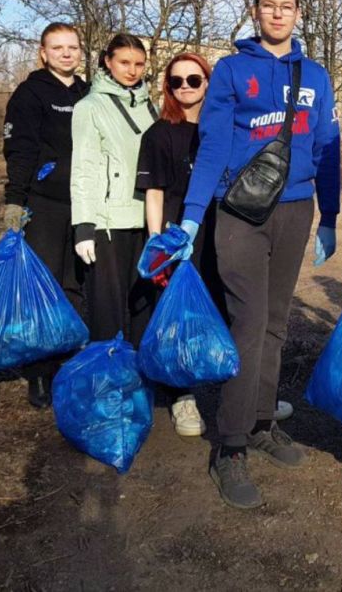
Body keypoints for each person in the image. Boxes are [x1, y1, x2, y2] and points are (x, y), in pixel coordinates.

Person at [179, 0, 340, 509]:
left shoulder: (314, 75)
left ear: (298, 14)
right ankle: (230, 446)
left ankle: (264, 421)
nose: (277, 14)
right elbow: (212, 146)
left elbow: (325, 148)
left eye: (286, 6)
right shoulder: (230, 70)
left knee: (275, 323)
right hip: (240, 212)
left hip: (295, 210)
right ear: (255, 11)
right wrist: (192, 218)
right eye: (268, 6)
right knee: (247, 323)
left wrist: (331, 215)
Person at [2, 22, 89, 408]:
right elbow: (20, 150)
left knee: (77, 284)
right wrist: (15, 199)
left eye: (72, 47)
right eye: (58, 48)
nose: (66, 54)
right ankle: (39, 373)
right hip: (47, 202)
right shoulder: (31, 93)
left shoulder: (89, 92)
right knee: (44, 285)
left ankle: (69, 360)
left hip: (86, 203)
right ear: (43, 52)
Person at [135, 52, 215, 437]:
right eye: (177, 81)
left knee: (221, 309)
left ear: (208, 83)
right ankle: (182, 396)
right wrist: (157, 242)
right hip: (179, 238)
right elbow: (154, 191)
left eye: (194, 80)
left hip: (222, 231)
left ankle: (246, 392)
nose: (185, 87)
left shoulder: (221, 129)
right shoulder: (159, 133)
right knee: (179, 316)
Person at [70, 33, 157, 345]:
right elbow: (84, 168)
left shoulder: (151, 106)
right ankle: (106, 383)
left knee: (144, 306)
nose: (132, 71)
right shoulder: (90, 106)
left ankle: (140, 379)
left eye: (139, 64)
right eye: (124, 63)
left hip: (146, 220)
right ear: (108, 62)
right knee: (107, 311)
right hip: (108, 222)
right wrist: (84, 225)